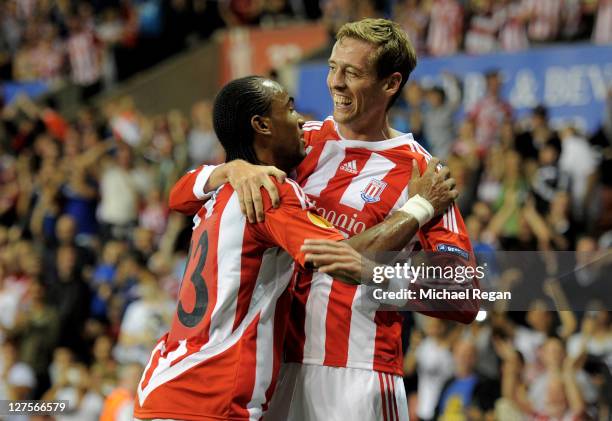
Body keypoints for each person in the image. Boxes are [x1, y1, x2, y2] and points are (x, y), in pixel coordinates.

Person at [169, 19, 478, 420]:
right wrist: (227, 170)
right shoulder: (301, 142)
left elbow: (467, 294)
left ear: (390, 84)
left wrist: (379, 274)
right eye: (333, 67)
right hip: (272, 373)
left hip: (357, 375)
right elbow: (179, 198)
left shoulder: (422, 175)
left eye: (353, 72)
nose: (336, 82)